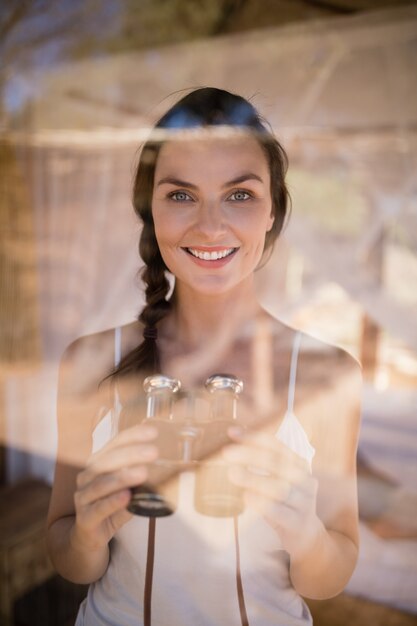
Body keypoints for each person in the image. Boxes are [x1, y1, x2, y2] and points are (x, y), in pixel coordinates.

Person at [46, 87, 362, 626]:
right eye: (181, 195)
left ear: (272, 212)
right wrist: (87, 533)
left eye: (239, 195)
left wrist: (306, 535)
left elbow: (331, 574)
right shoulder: (92, 361)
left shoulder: (326, 374)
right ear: (151, 211)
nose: (211, 226)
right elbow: (70, 559)